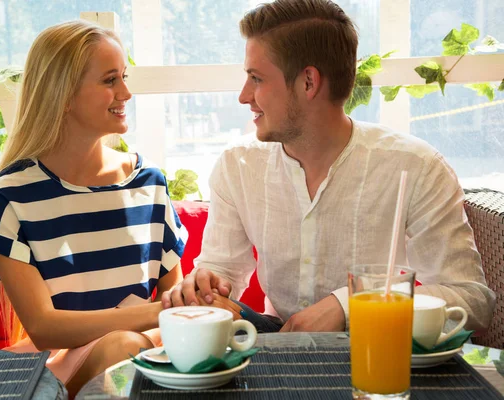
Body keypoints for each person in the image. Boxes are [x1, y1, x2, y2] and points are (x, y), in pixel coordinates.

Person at [162, 0, 495, 334]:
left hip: (377, 345)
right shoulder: (238, 164)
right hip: (277, 340)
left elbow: (472, 301)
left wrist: (349, 305)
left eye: (256, 78)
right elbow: (223, 269)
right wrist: (204, 284)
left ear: (308, 82)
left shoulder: (416, 166)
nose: (244, 95)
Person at [0, 20, 242, 398]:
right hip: (61, 369)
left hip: (146, 350)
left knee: (142, 348)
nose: (126, 93)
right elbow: (44, 328)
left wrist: (197, 303)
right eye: (110, 80)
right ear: (63, 94)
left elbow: (174, 295)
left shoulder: (148, 183)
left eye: (124, 77)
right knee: (122, 347)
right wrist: (162, 311)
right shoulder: (8, 197)